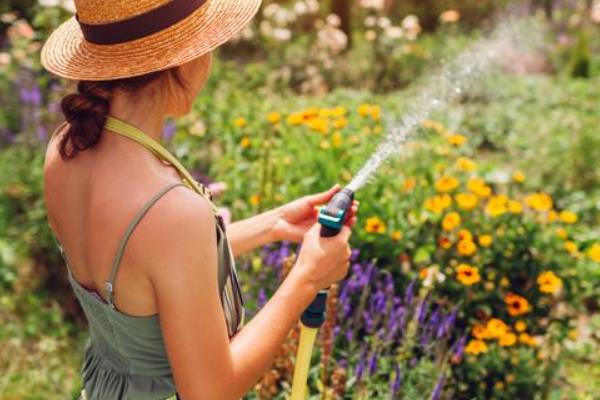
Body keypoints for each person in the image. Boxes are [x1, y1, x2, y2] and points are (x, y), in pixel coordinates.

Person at [40, 1, 358, 399]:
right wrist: (308, 277)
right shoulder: (168, 210)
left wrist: (272, 225)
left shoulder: (66, 148)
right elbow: (211, 392)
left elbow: (146, 274)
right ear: (181, 60)